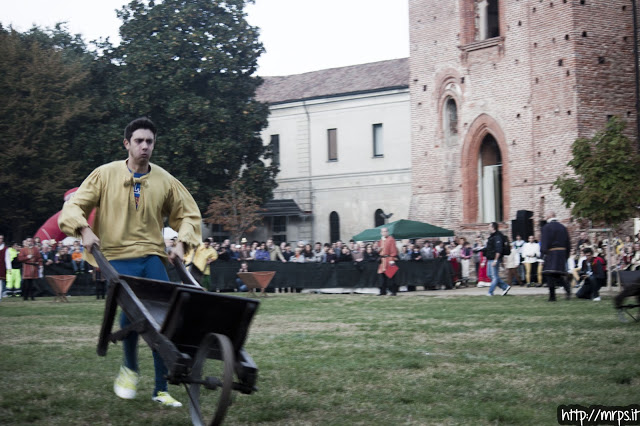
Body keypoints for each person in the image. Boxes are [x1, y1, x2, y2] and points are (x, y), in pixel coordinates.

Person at [58, 117, 201, 408]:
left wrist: (182, 241)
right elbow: (73, 205)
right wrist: (83, 228)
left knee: (164, 317)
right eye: (139, 141)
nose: (145, 146)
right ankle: (130, 368)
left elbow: (188, 213)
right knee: (134, 313)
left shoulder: (165, 179)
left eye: (149, 141)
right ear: (127, 143)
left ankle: (161, 389)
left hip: (151, 255)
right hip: (116, 255)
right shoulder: (104, 174)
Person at [540, 212, 571, 301]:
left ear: (549, 216)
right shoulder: (563, 227)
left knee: (549, 274)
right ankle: (567, 288)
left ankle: (552, 296)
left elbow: (545, 242)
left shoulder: (546, 227)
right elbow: (568, 242)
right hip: (562, 253)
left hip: (551, 253)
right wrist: (566, 254)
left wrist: (543, 255)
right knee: (558, 273)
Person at [484, 222, 511, 296]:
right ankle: (505, 286)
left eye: (489, 226)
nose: (488, 228)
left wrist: (496, 260)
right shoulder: (492, 236)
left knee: (494, 276)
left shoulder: (498, 236)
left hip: (494, 259)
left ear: (493, 227)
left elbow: (498, 250)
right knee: (489, 275)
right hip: (490, 258)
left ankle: (490, 292)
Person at [377, 227, 398, 296]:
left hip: (389, 259)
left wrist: (392, 259)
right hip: (383, 260)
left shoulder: (391, 239)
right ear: (381, 233)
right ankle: (383, 291)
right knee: (382, 276)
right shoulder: (380, 240)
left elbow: (393, 250)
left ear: (387, 232)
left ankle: (393, 291)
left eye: (385, 231)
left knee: (391, 275)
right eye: (383, 232)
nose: (384, 233)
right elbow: (379, 250)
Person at [0, 235, 6, 300]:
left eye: (1, 238)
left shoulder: (5, 249)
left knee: (0, 283)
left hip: (1, 267)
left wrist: (9, 268)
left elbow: (7, 259)